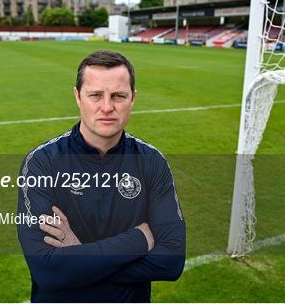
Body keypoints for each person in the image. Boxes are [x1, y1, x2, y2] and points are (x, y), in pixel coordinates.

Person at [17, 50, 186, 302]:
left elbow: (171, 263)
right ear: (77, 97)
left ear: (133, 99)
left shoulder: (151, 162)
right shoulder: (43, 163)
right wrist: (140, 239)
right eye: (95, 95)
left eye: (118, 96)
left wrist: (79, 256)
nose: (107, 107)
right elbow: (48, 270)